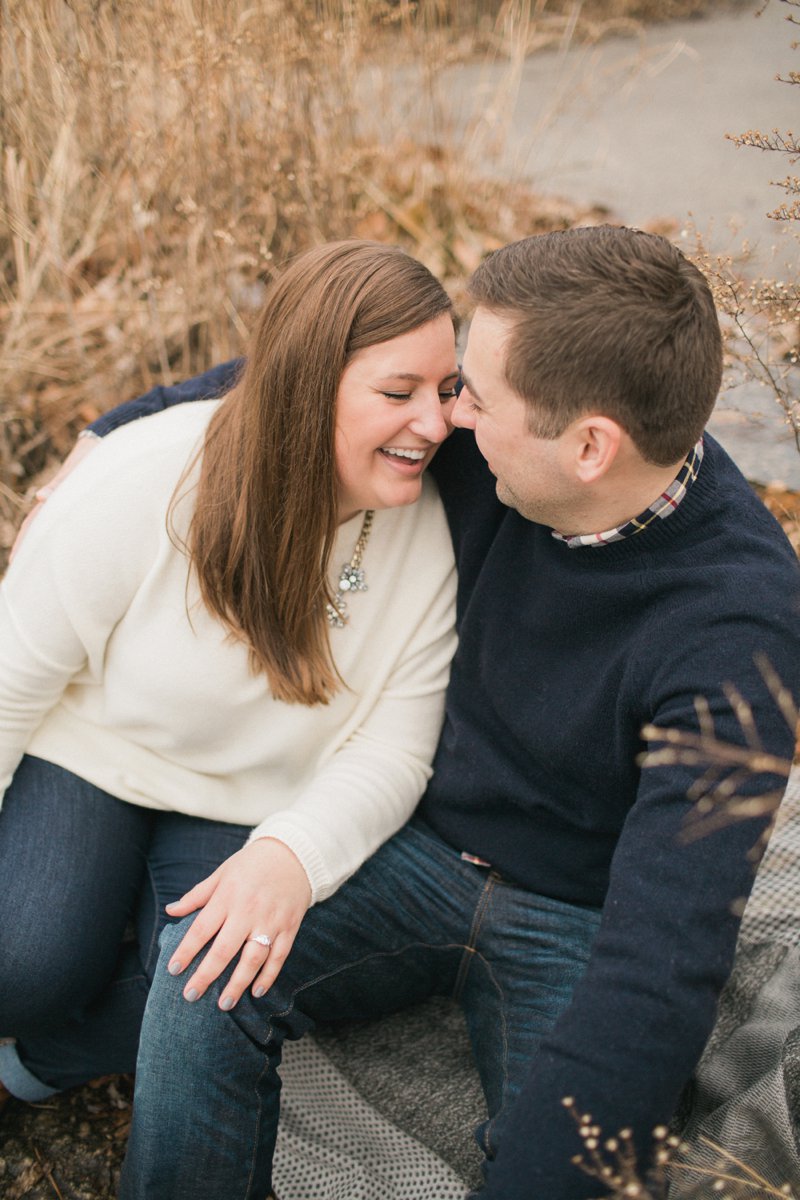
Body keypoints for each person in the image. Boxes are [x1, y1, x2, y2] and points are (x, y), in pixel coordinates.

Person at [19, 226, 800, 1199]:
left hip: (575, 918)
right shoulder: (487, 447)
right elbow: (320, 380)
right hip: (409, 855)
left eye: (471, 391)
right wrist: (122, 426)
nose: (443, 416)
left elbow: (663, 958)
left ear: (589, 445)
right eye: (446, 386)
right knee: (199, 979)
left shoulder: (739, 627)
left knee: (586, 1167)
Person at [0, 241, 459, 1112]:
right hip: (94, 754)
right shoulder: (145, 478)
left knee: (207, 992)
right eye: (398, 394)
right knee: (20, 966)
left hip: (253, 807)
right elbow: (9, 681)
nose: (434, 424)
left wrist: (294, 856)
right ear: (304, 383)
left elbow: (397, 749)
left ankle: (37, 1067)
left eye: (445, 390)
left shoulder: (426, 534)